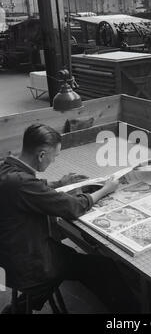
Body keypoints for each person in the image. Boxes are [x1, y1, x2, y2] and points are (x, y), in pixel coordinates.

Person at [0, 124, 139, 314]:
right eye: (54, 157)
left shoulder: (6, 168)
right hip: (28, 263)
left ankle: (21, 306)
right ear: (41, 155)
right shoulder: (22, 184)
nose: (54, 161)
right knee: (104, 266)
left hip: (9, 254)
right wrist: (106, 189)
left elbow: (27, 185)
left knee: (64, 253)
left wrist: (58, 183)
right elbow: (73, 207)